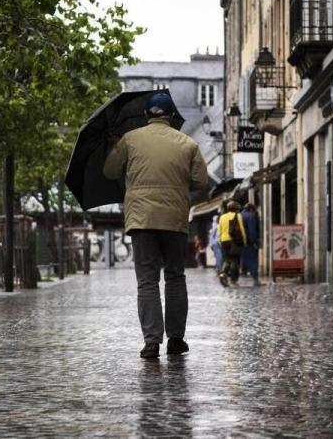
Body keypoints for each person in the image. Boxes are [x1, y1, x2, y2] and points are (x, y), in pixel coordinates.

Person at [103, 92, 208, 359]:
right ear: (172, 116)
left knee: (147, 281)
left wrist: (116, 147)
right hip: (174, 219)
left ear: (147, 115)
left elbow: (110, 172)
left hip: (141, 219)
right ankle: (176, 339)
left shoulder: (131, 139)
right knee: (175, 277)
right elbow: (200, 182)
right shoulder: (188, 143)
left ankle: (152, 342)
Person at [217, 201, 247, 287]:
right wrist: (244, 240)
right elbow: (241, 229)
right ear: (236, 209)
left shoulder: (222, 217)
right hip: (234, 241)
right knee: (235, 260)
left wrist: (220, 240)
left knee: (227, 259)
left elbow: (220, 230)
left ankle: (223, 274)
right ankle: (233, 280)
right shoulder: (238, 216)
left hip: (224, 241)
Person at [241, 203, 261, 286]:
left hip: (239, 242)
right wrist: (254, 241)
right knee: (253, 260)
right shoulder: (250, 216)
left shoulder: (240, 215)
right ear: (251, 209)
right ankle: (255, 279)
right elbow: (252, 231)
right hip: (249, 242)